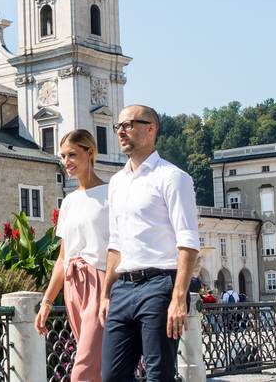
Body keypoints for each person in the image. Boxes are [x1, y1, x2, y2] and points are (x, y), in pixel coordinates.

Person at [100, 105, 200, 382]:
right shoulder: (117, 182)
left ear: (151, 128)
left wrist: (179, 298)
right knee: (112, 376)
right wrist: (106, 294)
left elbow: (188, 242)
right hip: (123, 288)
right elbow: (115, 243)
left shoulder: (172, 177)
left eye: (128, 124)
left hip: (159, 286)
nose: (121, 131)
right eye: (118, 126)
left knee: (159, 375)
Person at [35, 130, 108, 382]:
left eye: (72, 155)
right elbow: (62, 257)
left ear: (90, 153)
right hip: (72, 285)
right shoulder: (69, 201)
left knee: (83, 371)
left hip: (101, 283)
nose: (66, 161)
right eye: (63, 156)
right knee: (96, 366)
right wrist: (46, 302)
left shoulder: (112, 194)